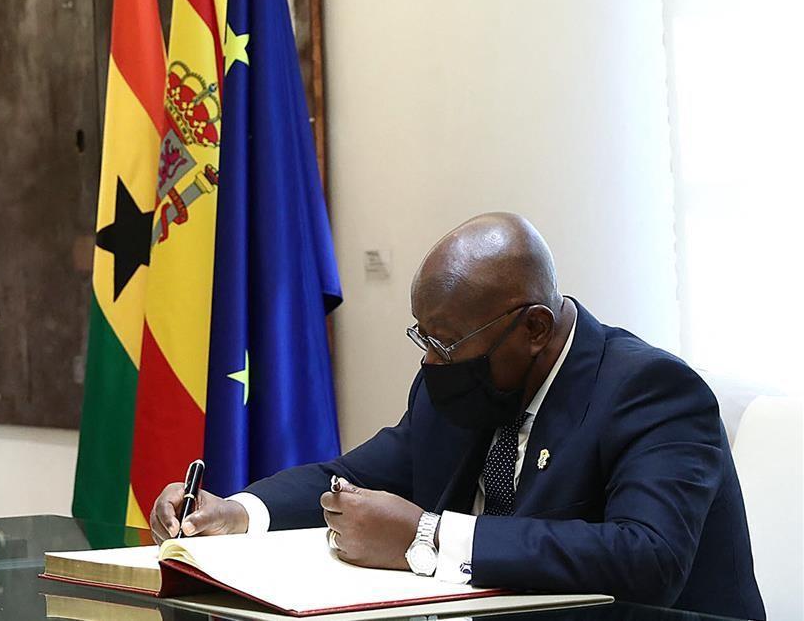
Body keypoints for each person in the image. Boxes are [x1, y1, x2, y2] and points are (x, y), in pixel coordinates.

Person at [149, 213, 765, 620]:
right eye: (427, 339)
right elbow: (350, 479)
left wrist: (428, 537)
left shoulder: (652, 392)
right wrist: (236, 512)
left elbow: (649, 558)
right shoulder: (467, 389)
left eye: (446, 344)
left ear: (533, 328)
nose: (432, 363)